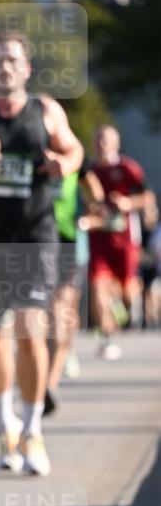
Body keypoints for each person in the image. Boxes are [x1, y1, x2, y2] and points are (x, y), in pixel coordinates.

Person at [0, 34, 83, 476]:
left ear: (27, 69)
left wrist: (64, 163)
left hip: (35, 233)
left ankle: (33, 430)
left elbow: (74, 148)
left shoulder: (46, 111)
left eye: (13, 59)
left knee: (31, 330)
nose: (5, 66)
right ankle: (5, 427)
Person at [82, 125, 156, 360]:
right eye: (98, 139)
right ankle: (107, 337)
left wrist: (127, 203)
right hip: (98, 238)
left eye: (106, 139)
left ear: (116, 143)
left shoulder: (127, 168)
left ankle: (125, 304)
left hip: (124, 239)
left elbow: (147, 196)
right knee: (96, 286)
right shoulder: (90, 170)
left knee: (126, 289)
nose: (101, 143)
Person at [44, 170, 89, 414]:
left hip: (70, 242)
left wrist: (90, 216)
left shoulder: (78, 161)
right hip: (39, 240)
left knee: (63, 311)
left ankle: (50, 382)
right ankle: (50, 378)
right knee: (56, 313)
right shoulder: (37, 152)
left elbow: (97, 197)